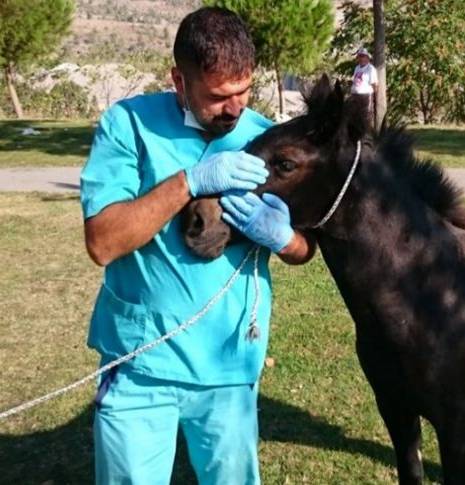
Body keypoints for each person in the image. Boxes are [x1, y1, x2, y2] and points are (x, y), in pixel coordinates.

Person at [79, 7, 315, 484]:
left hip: (229, 366)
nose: (234, 109)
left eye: (243, 92)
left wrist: (283, 236)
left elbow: (305, 249)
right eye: (217, 97)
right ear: (179, 82)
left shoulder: (266, 138)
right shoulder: (128, 125)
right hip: (140, 364)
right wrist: (188, 181)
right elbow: (103, 241)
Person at [350, 47, 378, 122]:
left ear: (367, 57)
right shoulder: (357, 68)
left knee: (365, 117)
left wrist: (374, 96)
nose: (361, 58)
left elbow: (374, 84)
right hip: (355, 95)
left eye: (363, 56)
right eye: (360, 56)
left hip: (365, 96)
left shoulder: (370, 69)